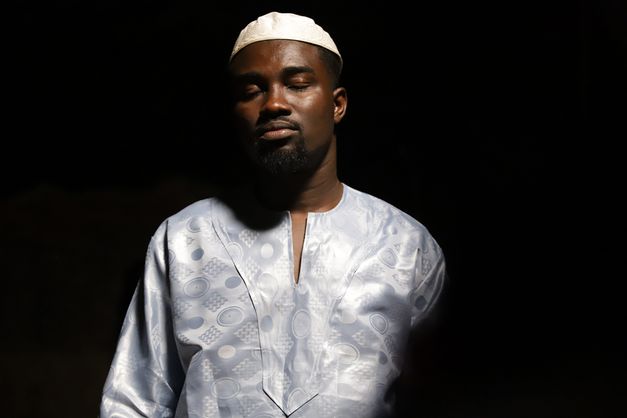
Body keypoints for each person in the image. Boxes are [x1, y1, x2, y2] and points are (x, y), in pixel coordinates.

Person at [100, 11, 446, 418]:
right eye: (251, 91)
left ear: (337, 105)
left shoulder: (406, 247)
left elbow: (439, 399)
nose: (274, 103)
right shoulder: (183, 240)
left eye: (298, 84)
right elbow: (134, 402)